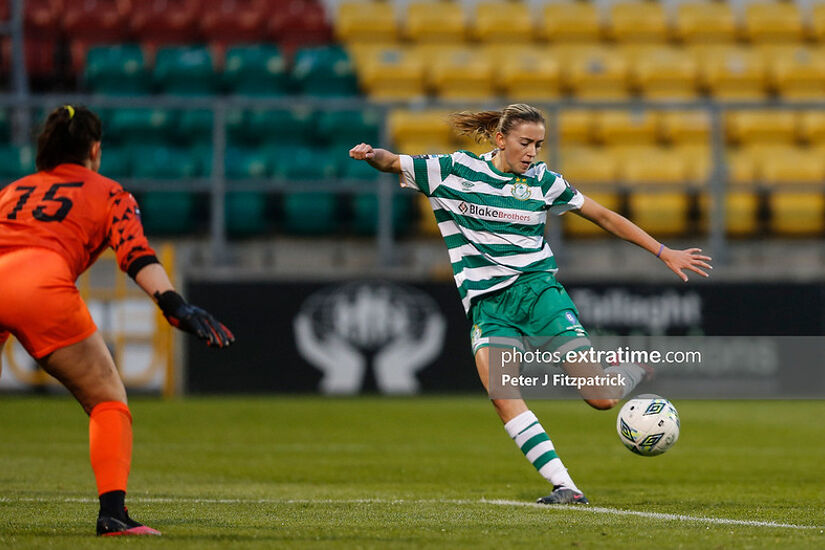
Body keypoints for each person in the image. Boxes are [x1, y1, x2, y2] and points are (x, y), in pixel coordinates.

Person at [349, 103, 711, 505]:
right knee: (503, 397)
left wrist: (664, 252)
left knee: (602, 398)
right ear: (501, 139)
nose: (532, 153)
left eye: (539, 144)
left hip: (538, 294)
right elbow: (393, 162)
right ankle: (566, 487)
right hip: (489, 306)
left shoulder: (544, 182)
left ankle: (632, 368)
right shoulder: (453, 171)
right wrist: (371, 156)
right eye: (525, 143)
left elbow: (603, 216)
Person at [0, 105, 235, 536]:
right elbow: (135, 253)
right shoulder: (109, 192)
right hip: (41, 282)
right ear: (94, 149)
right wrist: (174, 303)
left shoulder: (13, 190)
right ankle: (113, 515)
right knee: (107, 397)